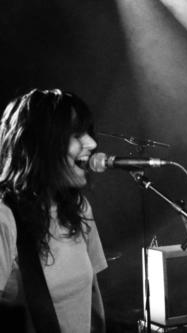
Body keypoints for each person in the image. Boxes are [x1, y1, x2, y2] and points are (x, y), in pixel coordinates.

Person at [0, 89, 107, 333]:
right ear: (41, 144)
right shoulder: (5, 217)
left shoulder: (79, 208)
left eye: (88, 133)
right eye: (77, 135)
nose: (92, 143)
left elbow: (93, 297)